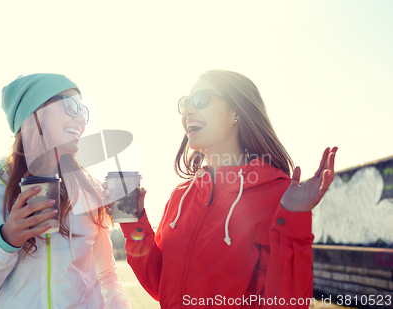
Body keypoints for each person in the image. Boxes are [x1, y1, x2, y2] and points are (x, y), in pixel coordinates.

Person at [103, 70, 337, 308]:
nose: (187, 110)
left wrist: (293, 218)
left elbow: (288, 303)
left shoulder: (279, 196)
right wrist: (133, 219)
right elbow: (158, 284)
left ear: (236, 112)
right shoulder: (181, 195)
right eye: (185, 102)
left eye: (201, 99)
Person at [0, 73, 131, 309]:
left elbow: (106, 276)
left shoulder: (89, 189)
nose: (82, 120)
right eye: (70, 106)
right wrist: (4, 241)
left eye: (83, 110)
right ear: (35, 114)